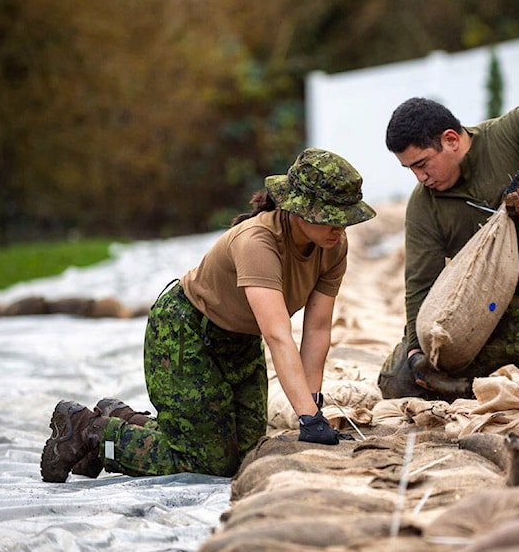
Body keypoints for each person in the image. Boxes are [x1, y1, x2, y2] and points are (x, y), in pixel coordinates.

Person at [40, 148, 376, 483]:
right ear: (300, 210)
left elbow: (317, 329)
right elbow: (278, 335)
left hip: (240, 341)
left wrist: (313, 409)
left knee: (245, 454)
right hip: (186, 333)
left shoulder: (334, 247)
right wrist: (307, 418)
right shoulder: (257, 242)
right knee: (209, 463)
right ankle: (91, 433)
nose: (340, 228)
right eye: (332, 217)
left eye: (346, 218)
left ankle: (123, 418)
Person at [377, 98, 519, 406]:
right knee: (399, 382)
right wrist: (416, 352)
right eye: (410, 169)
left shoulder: (507, 135)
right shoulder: (424, 204)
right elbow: (421, 283)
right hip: (479, 319)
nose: (420, 177)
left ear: (451, 140)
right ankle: (483, 395)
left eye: (422, 164)